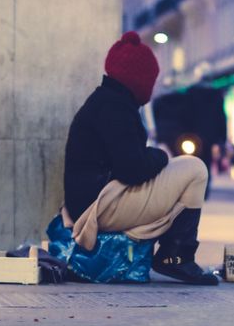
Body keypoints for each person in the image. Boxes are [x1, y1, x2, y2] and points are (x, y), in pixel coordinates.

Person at [62, 31, 218, 285]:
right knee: (195, 168)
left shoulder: (107, 100)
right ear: (139, 78)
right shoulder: (115, 107)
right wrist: (159, 156)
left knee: (184, 165)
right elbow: (132, 169)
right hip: (98, 207)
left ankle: (174, 253)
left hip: (96, 199)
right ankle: (175, 256)